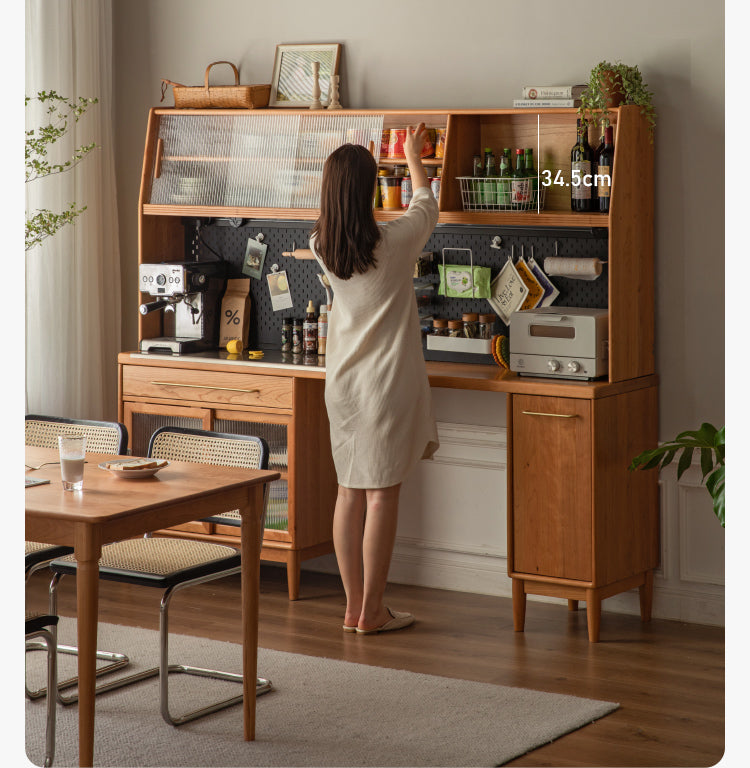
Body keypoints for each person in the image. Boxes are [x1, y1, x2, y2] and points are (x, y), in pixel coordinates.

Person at [310, 123, 439, 634]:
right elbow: (425, 206)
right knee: (382, 494)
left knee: (348, 492)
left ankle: (351, 607)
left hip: (341, 385)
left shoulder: (320, 244)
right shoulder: (394, 243)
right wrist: (411, 157)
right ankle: (374, 611)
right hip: (386, 385)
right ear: (367, 191)